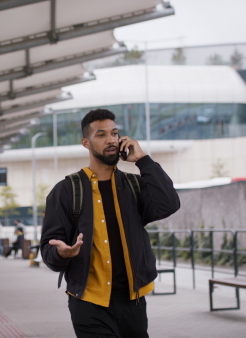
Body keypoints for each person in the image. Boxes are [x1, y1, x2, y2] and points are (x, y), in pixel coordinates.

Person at [41, 108, 180, 337]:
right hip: (88, 303)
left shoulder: (134, 185)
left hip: (132, 302)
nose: (111, 140)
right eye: (101, 134)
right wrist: (62, 253)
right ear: (86, 143)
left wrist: (143, 161)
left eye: (114, 133)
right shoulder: (66, 191)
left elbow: (169, 204)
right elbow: (48, 249)